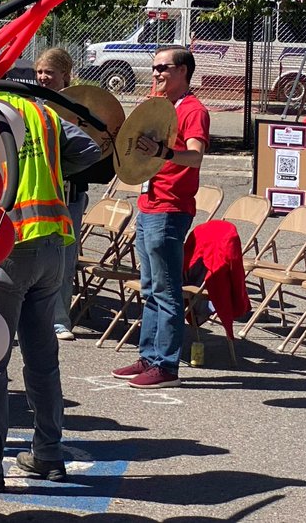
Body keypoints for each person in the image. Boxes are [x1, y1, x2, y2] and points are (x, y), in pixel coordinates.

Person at [0, 87, 101, 494]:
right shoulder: (42, 112)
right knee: (43, 357)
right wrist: (52, 167)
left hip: (8, 242)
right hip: (53, 243)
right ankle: (48, 454)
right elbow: (90, 149)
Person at [113, 46, 209, 389]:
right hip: (150, 204)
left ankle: (166, 366)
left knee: (167, 291)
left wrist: (163, 152)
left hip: (170, 208)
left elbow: (195, 157)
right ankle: (149, 357)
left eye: (162, 67)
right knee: (152, 289)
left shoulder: (193, 109)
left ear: (183, 70)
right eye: (154, 67)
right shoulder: (164, 107)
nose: (155, 73)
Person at [32, 47, 81, 341]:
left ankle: (60, 320)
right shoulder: (34, 104)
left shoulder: (81, 103)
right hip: (40, 191)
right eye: (39, 72)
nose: (43, 77)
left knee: (64, 257)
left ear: (65, 74)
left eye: (49, 72)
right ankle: (37, 315)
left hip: (70, 192)